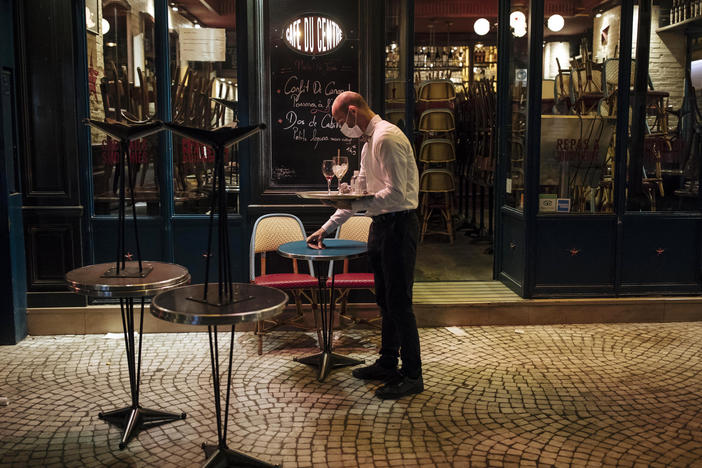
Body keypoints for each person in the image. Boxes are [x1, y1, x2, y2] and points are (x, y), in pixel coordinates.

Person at [306, 91, 422, 399]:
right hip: (381, 227)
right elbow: (360, 196)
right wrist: (325, 229)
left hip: (399, 225)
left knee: (400, 304)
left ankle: (413, 375)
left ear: (354, 112)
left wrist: (359, 202)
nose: (342, 126)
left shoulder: (387, 138)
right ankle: (387, 362)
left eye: (341, 120)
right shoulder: (368, 144)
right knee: (385, 302)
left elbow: (397, 194)